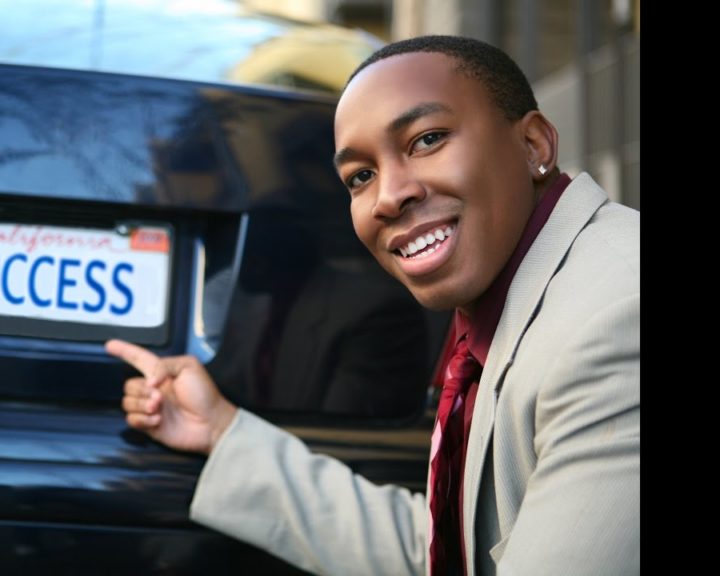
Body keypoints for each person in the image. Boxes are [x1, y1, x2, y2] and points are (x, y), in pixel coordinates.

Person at [107, 35, 639, 576]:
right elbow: (442, 556)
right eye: (361, 176)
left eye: (427, 140)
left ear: (533, 145)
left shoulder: (617, 321)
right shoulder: (521, 304)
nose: (387, 197)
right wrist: (222, 433)